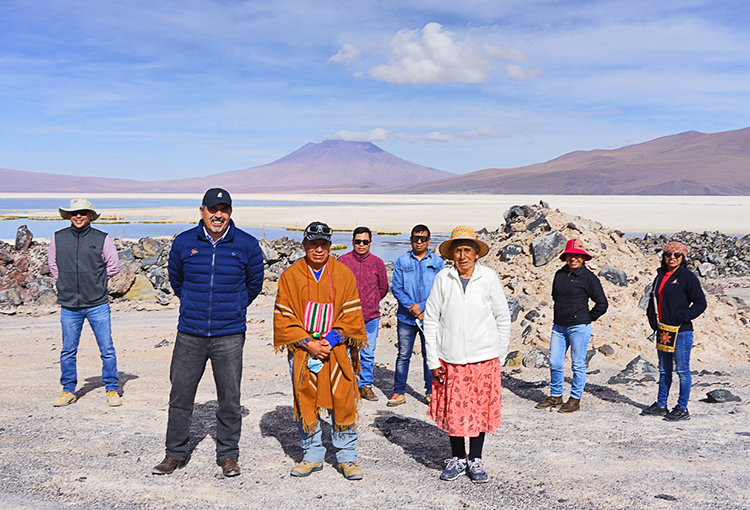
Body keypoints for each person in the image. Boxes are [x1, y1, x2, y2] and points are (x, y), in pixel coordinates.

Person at [152, 188, 264, 478]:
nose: (218, 215)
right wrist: (193, 304)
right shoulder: (184, 242)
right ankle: (174, 454)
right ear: (201, 211)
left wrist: (235, 307)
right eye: (213, 209)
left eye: (224, 209)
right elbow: (177, 280)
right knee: (180, 395)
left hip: (229, 334)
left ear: (230, 212)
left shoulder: (247, 245)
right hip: (190, 332)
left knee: (229, 397)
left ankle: (228, 455)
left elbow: (254, 285)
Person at [273, 222, 367, 480]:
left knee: (342, 398)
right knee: (307, 399)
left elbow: (352, 316)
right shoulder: (290, 276)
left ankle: (347, 457)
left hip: (335, 349)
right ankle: (312, 455)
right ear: (304, 246)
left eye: (323, 244)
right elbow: (284, 317)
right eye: (312, 244)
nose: (318, 249)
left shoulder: (343, 274)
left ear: (329, 246)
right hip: (304, 351)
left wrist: (332, 338)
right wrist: (308, 343)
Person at [423, 226, 511, 483]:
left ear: (476, 254)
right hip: (450, 359)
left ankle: (476, 459)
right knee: (454, 411)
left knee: (478, 411)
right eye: (457, 251)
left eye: (467, 250)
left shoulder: (489, 278)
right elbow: (431, 320)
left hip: (483, 358)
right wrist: (432, 359)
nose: (462, 256)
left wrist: (500, 356)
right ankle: (458, 458)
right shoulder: (443, 278)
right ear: (451, 254)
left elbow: (502, 318)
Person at [48, 198, 121, 407]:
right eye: (74, 213)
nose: (78, 216)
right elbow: (53, 265)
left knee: (106, 348)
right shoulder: (58, 237)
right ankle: (68, 390)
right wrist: (66, 281)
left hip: (97, 303)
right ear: (69, 216)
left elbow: (113, 266)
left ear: (90, 215)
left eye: (82, 212)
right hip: (69, 304)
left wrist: (96, 281)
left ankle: (112, 389)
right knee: (68, 350)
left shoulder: (101, 238)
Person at [536, 239, 608, 413]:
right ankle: (556, 396)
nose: (573, 259)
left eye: (578, 255)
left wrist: (586, 318)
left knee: (577, 364)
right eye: (570, 255)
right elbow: (555, 296)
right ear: (565, 257)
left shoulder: (589, 278)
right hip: (559, 327)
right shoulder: (559, 275)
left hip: (579, 328)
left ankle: (575, 399)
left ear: (583, 258)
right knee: (554, 362)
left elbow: (602, 304)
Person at [642, 241, 706, 421]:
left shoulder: (687, 277)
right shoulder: (660, 275)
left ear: (683, 257)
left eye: (676, 255)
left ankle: (682, 407)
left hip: (681, 330)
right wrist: (652, 321)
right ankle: (661, 404)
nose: (672, 258)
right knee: (664, 370)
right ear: (663, 257)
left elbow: (701, 302)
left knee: (683, 370)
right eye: (668, 254)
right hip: (663, 330)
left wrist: (683, 316)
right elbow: (653, 299)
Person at [389, 224, 444, 406]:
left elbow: (440, 288)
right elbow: (396, 287)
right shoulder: (402, 261)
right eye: (415, 238)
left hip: (429, 316)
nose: (418, 242)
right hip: (406, 317)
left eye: (422, 239)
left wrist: (421, 307)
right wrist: (412, 307)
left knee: (430, 354)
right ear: (410, 240)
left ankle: (431, 392)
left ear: (429, 241)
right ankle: (399, 392)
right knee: (403, 354)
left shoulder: (437, 263)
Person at [338, 226, 389, 401]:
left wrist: (372, 302)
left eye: (365, 242)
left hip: (370, 317)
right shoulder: (342, 261)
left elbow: (383, 288)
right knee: (343, 351)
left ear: (370, 243)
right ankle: (345, 385)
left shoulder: (377, 263)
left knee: (367, 353)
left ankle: (365, 385)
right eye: (358, 241)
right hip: (346, 318)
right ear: (352, 242)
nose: (361, 245)